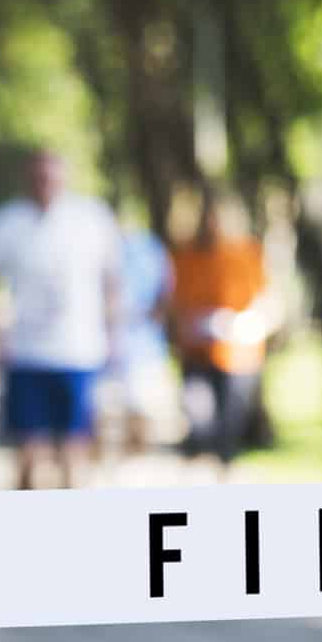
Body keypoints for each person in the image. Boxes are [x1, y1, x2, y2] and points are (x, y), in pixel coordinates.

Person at [0, 145, 122, 490]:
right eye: (39, 176)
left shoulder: (91, 218)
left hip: (79, 351)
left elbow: (112, 281)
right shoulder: (6, 221)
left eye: (52, 175)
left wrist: (114, 334)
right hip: (25, 352)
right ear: (28, 178)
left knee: (75, 451)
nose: (46, 182)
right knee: (28, 455)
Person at [169, 191, 272, 479]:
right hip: (197, 351)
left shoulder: (248, 253)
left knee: (228, 428)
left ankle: (224, 477)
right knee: (199, 419)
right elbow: (175, 302)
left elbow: (266, 300)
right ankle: (200, 470)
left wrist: (248, 324)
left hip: (238, 355)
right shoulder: (186, 255)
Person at [97, 210, 178, 462]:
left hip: (143, 346)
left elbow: (166, 290)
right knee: (104, 413)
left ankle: (134, 463)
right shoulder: (97, 251)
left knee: (141, 410)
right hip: (104, 346)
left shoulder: (149, 249)